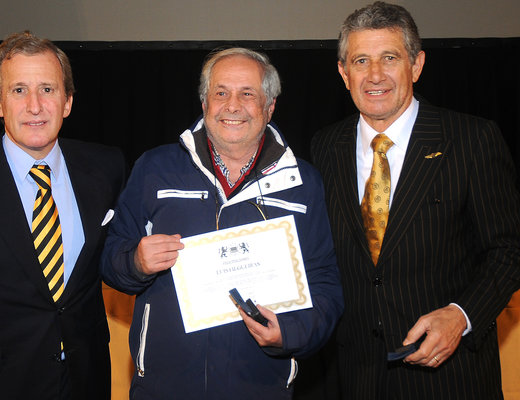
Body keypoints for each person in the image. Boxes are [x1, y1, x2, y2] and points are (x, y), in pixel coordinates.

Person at [101, 47, 344, 399]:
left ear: (269, 106)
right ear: (204, 103)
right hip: (163, 387)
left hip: (260, 388)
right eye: (221, 93)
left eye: (247, 94)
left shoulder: (303, 183)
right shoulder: (156, 168)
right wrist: (136, 261)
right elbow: (110, 257)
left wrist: (289, 333)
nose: (232, 106)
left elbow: (325, 284)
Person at [311, 2, 520, 399]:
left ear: (416, 64)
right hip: (355, 378)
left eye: (389, 58)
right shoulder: (325, 146)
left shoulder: (471, 139)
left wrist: (461, 315)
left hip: (450, 379)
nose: (375, 74)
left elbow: (509, 249)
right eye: (360, 60)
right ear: (343, 73)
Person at [0, 31, 125, 399]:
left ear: (67, 102)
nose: (35, 106)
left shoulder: (106, 168)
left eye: (47, 89)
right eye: (19, 90)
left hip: (85, 381)